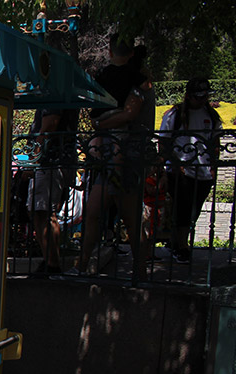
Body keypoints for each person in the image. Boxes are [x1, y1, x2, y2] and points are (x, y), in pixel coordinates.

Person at [72, 34, 148, 278]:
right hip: (109, 154)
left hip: (125, 155)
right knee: (93, 212)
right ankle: (81, 267)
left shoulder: (139, 81)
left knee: (130, 217)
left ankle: (140, 272)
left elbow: (129, 115)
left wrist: (100, 125)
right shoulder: (116, 77)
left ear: (110, 50)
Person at [159, 77, 222, 264]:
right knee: (183, 208)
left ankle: (175, 242)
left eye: (205, 96)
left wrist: (213, 165)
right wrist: (174, 164)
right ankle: (182, 247)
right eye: (198, 97)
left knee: (194, 210)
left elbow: (215, 141)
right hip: (181, 171)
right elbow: (164, 141)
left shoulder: (211, 116)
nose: (202, 100)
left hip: (203, 171)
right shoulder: (174, 115)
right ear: (188, 96)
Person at [26, 108, 79, 274]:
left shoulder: (55, 92)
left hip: (49, 161)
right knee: (42, 212)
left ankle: (52, 265)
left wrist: (34, 156)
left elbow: (50, 123)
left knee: (43, 212)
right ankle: (50, 262)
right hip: (55, 160)